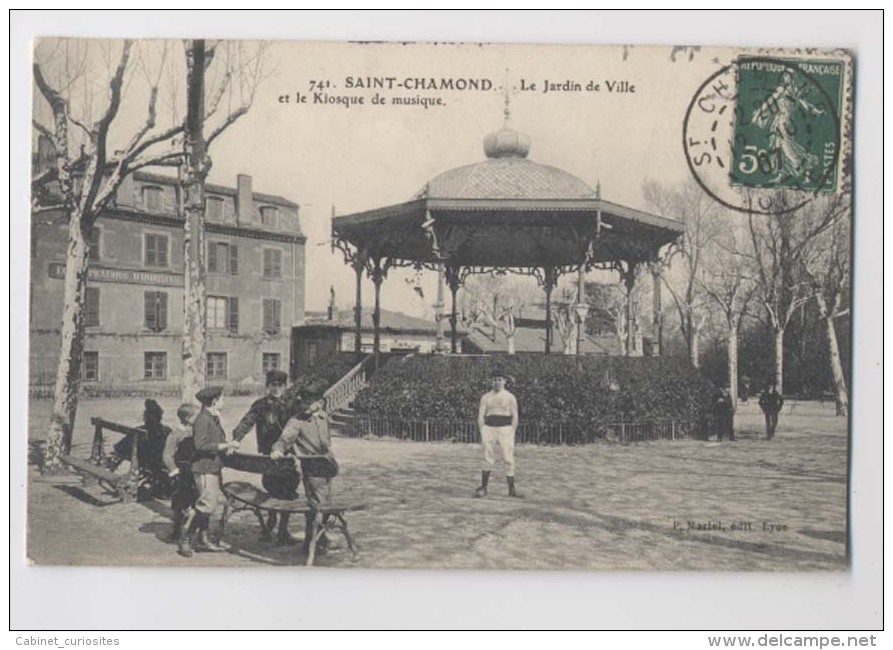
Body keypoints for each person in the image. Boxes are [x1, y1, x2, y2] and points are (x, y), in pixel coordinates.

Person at [231, 369, 298, 545]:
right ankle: (272, 525)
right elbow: (247, 421)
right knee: (274, 491)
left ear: (286, 386)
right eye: (273, 385)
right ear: (267, 386)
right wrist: (236, 438)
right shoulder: (260, 405)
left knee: (287, 494)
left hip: (289, 455)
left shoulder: (292, 405)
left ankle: (281, 530)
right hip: (268, 456)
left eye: (280, 385)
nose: (276, 389)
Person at [270, 395, 339, 556]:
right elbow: (285, 438)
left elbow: (327, 442)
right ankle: (310, 543)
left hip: (327, 466)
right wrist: (277, 449)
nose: (306, 406)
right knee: (318, 505)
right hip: (312, 468)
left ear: (319, 403)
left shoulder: (323, 417)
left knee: (326, 504)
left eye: (310, 402)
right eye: (304, 402)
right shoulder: (297, 421)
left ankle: (319, 539)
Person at [187, 386, 239, 552]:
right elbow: (200, 445)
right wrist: (226, 445)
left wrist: (226, 447)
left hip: (212, 466)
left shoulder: (212, 417)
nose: (223, 401)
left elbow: (217, 439)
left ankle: (203, 539)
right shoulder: (203, 419)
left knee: (208, 504)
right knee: (206, 505)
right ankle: (185, 539)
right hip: (204, 467)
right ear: (214, 401)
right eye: (222, 398)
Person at [105, 399, 171, 498]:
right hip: (159, 463)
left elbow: (119, 448)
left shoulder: (138, 431)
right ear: (160, 417)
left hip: (144, 462)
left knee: (121, 452)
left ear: (145, 417)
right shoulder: (167, 430)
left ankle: (109, 468)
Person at [474, 369, 521, 498]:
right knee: (487, 457)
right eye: (495, 380)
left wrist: (512, 430)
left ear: (505, 381)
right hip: (489, 428)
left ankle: (512, 488)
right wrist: (482, 430)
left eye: (500, 380)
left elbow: (515, 415)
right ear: (491, 381)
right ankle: (484, 488)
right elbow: (481, 415)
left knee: (508, 457)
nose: (497, 382)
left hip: (505, 429)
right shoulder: (486, 397)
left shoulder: (510, 397)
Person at [162, 403, 200, 557]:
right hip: (181, 473)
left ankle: (186, 529)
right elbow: (167, 455)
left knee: (195, 500)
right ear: (188, 418)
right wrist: (174, 471)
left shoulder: (196, 432)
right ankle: (178, 528)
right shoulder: (175, 435)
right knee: (180, 502)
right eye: (196, 417)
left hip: (194, 472)